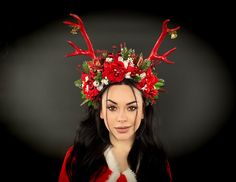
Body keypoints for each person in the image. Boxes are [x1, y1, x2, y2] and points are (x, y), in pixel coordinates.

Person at [59, 13, 180, 182]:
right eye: (112, 107)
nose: (122, 118)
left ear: (143, 111)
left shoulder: (157, 162)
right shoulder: (76, 158)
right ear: (100, 111)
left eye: (131, 107)